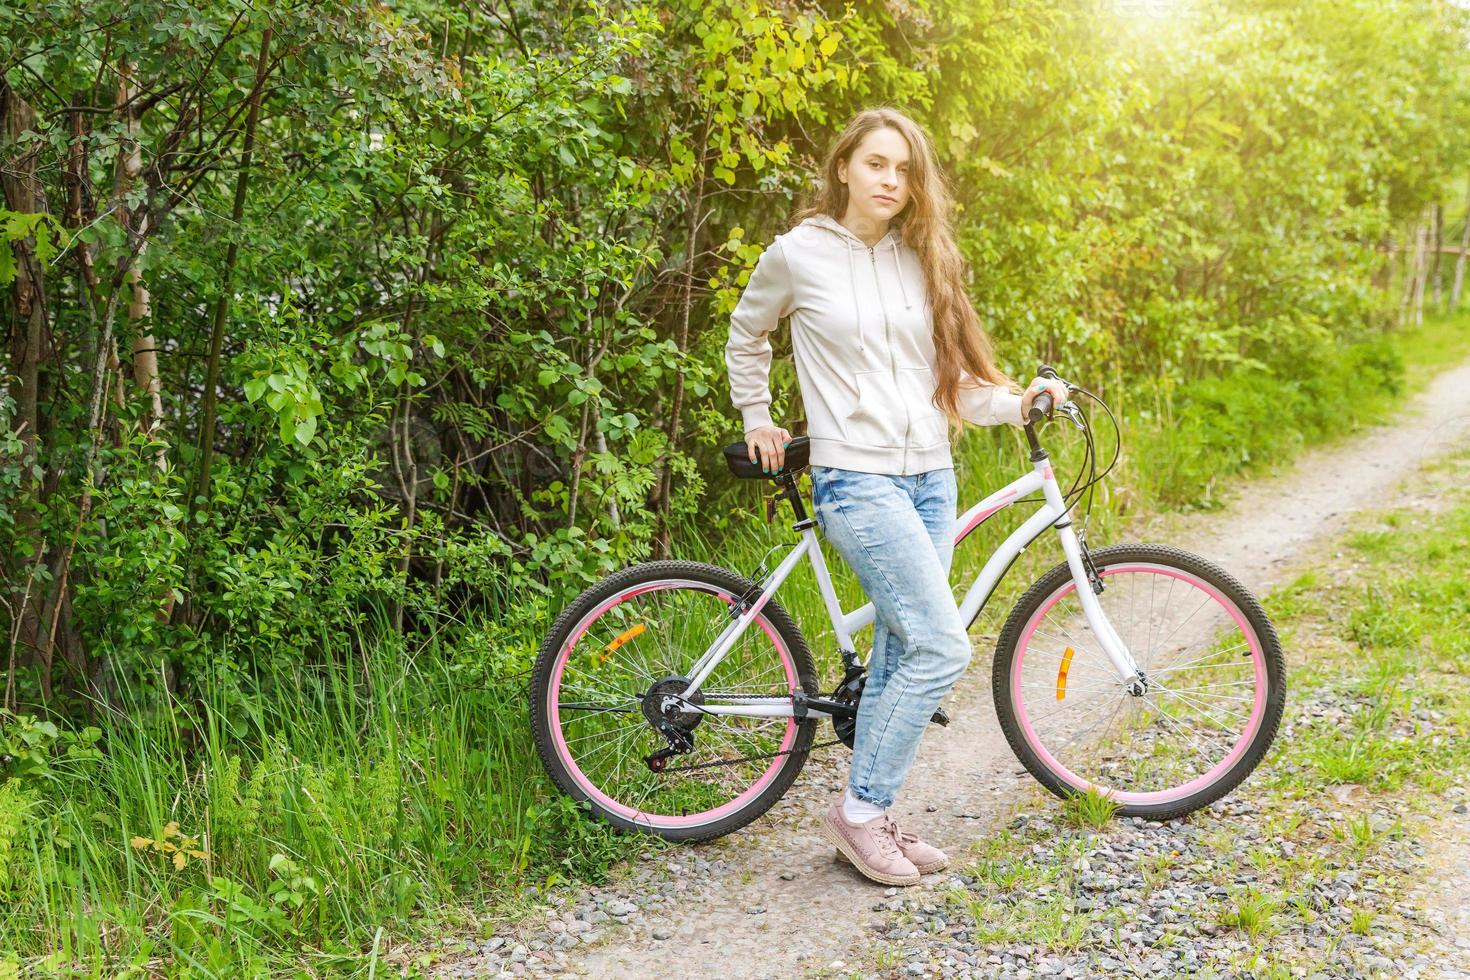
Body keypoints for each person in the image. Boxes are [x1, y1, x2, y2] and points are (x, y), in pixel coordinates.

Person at [723, 107, 1068, 887]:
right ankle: (857, 813)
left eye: (905, 169)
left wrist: (1019, 402)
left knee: (901, 648)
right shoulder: (797, 254)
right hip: (855, 476)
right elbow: (746, 334)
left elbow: (956, 384)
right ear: (844, 166)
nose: (891, 180)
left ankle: (872, 815)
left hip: (931, 477)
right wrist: (757, 414)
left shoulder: (922, 260)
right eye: (877, 163)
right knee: (944, 645)